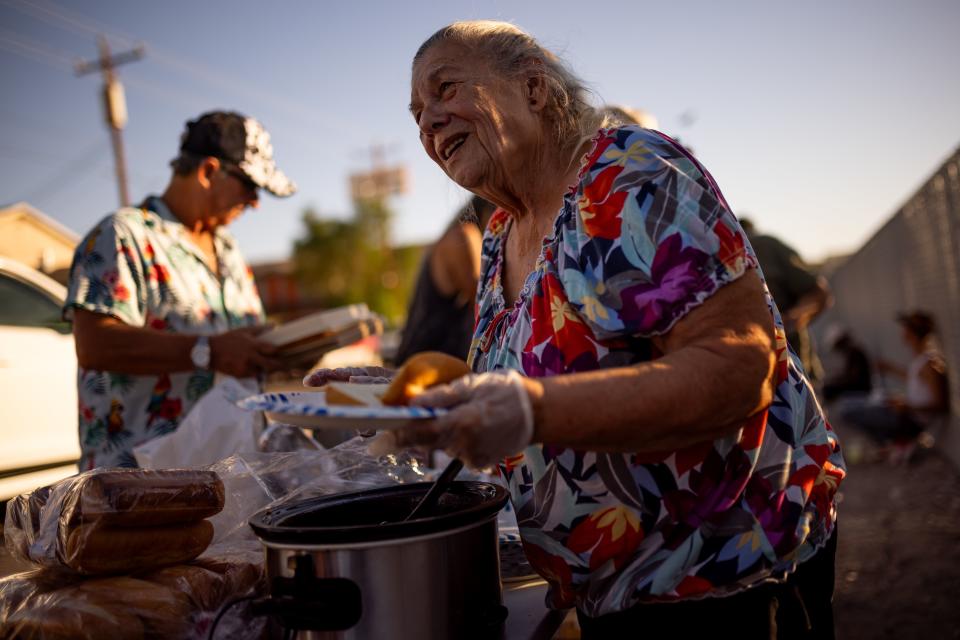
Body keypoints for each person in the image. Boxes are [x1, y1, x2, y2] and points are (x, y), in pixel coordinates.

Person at [315, 21, 845, 638]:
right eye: (416, 114)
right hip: (612, 594)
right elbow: (513, 378)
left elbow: (736, 366)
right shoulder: (499, 235)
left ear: (534, 86)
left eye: (446, 88)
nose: (428, 122)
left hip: (724, 577)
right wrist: (402, 392)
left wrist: (530, 409)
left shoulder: (632, 174)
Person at [64, 111, 295, 469]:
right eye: (249, 186)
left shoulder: (229, 252)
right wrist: (209, 351)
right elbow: (95, 345)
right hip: (138, 483)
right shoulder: (122, 236)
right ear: (208, 172)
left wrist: (284, 350)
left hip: (227, 476)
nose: (255, 202)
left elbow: (241, 344)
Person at [394, 195, 497, 364]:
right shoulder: (463, 237)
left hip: (429, 365)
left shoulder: (453, 237)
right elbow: (487, 306)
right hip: (427, 371)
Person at [840, 311, 949, 456]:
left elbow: (939, 404)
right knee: (849, 403)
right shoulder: (922, 360)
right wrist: (890, 369)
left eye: (906, 329)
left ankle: (896, 442)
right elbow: (914, 379)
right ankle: (895, 443)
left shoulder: (930, 364)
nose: (902, 333)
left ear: (913, 335)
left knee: (847, 411)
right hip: (907, 414)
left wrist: (907, 406)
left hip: (910, 421)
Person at [739, 217, 832, 383]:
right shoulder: (765, 245)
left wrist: (790, 319)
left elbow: (819, 294)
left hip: (792, 377)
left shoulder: (765, 246)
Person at [821, 329, 873, 403]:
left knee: (829, 389)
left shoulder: (854, 353)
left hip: (861, 390)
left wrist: (838, 381)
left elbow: (854, 378)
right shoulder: (852, 352)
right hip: (860, 388)